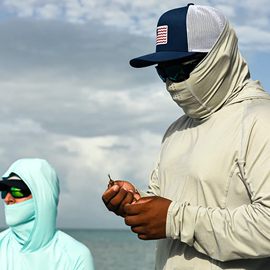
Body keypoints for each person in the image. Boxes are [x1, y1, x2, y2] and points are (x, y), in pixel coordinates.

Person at [102, 3, 270, 270]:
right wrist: (135, 201)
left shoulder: (260, 121)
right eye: (163, 72)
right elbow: (167, 204)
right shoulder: (175, 130)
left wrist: (175, 220)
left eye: (179, 70)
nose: (171, 84)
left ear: (219, 58)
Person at [0, 158, 95, 270]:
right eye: (4, 191)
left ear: (43, 196)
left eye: (17, 190)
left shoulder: (75, 256)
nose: (7, 199)